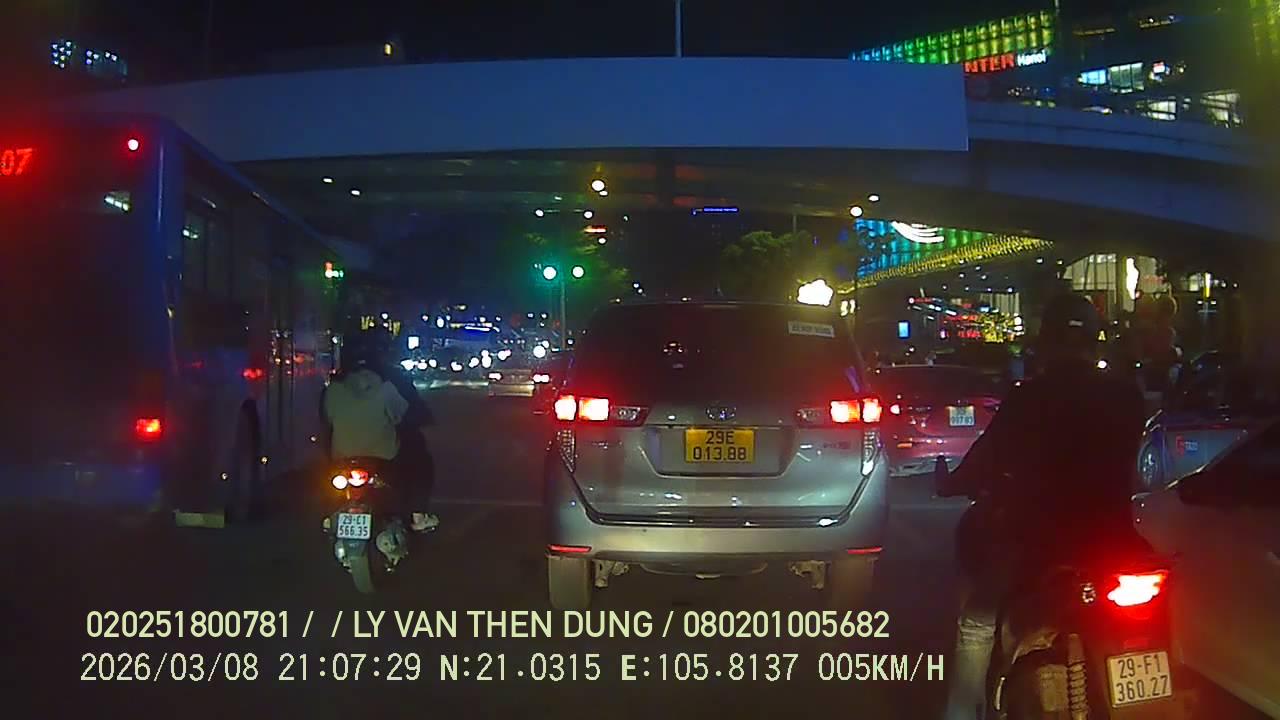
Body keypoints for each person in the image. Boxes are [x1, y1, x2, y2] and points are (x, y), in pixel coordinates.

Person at [941, 294, 1150, 720]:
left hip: (1036, 543)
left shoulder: (1029, 398)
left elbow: (985, 459)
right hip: (1116, 541)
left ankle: (961, 712)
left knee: (977, 620)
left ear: (1047, 342)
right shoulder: (1128, 396)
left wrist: (952, 482)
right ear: (1095, 340)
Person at [323, 329, 438, 532]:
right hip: (383, 456)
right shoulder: (388, 384)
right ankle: (418, 516)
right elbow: (405, 413)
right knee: (420, 460)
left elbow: (326, 418)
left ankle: (330, 513)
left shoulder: (333, 388)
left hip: (342, 456)